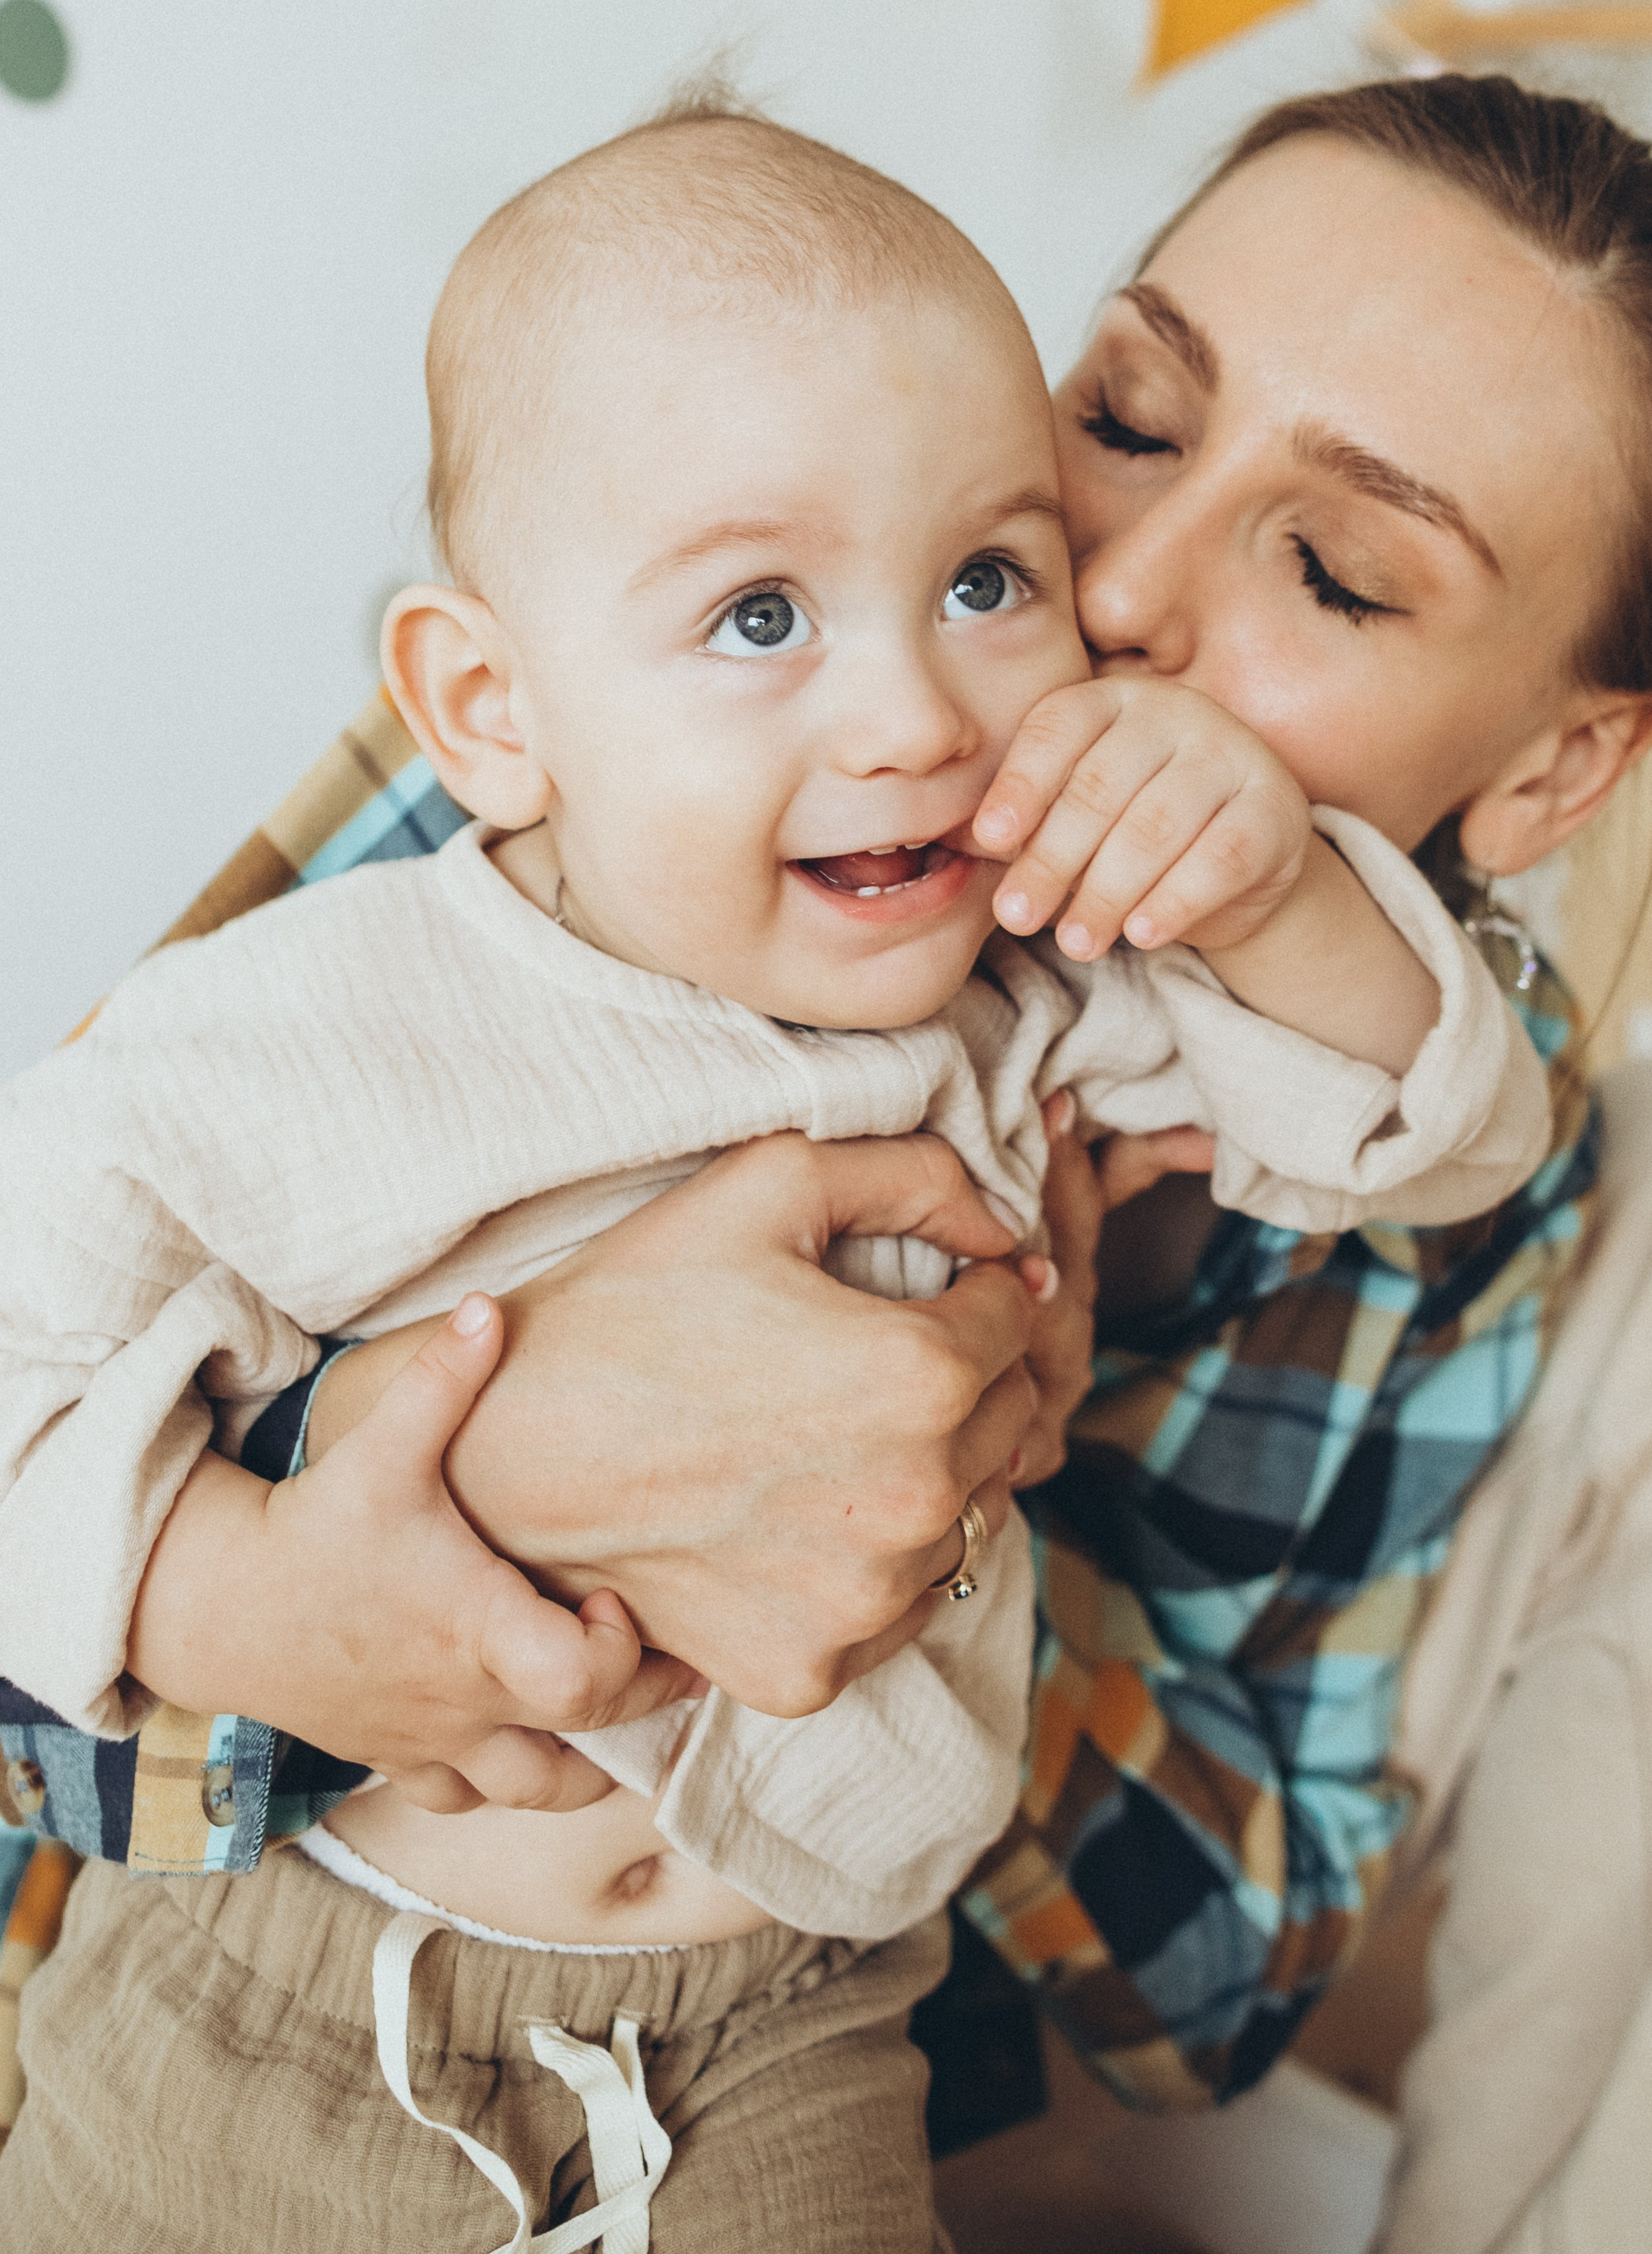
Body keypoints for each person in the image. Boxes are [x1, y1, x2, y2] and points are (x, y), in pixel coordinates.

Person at [0, 108, 1538, 2253]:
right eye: (759, 614)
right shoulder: (361, 998)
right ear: (490, 710)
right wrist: (263, 1577)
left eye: (983, 580)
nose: (920, 703)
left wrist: (1271, 889)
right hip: (279, 2000)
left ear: (1562, 765)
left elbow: (1447, 1129)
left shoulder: (1025, 975)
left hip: (795, 2020)